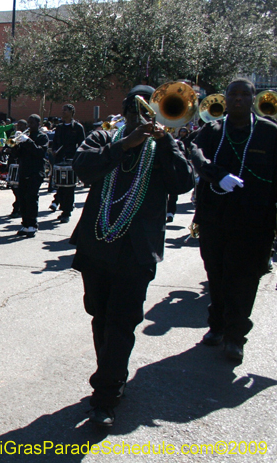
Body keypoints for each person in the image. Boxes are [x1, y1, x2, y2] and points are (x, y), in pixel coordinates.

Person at [70, 84, 193, 426]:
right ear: (124, 114)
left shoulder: (166, 145)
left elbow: (183, 183)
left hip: (137, 252)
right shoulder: (104, 138)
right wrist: (125, 144)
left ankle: (106, 395)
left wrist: (166, 141)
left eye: (150, 111)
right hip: (97, 246)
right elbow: (83, 167)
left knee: (122, 323)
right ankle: (111, 375)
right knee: (100, 317)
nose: (143, 118)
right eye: (136, 111)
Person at [190, 78, 277, 362]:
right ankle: (217, 326)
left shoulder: (269, 132)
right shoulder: (212, 130)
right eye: (233, 94)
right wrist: (216, 174)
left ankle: (235, 336)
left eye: (244, 94)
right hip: (215, 218)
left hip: (255, 223)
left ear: (253, 98)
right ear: (225, 98)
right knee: (216, 275)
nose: (238, 99)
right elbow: (195, 155)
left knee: (243, 279)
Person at [10, 114, 49, 237]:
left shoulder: (42, 137)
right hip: (24, 170)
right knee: (22, 198)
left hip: (36, 171)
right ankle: (25, 224)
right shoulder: (24, 137)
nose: (29, 126)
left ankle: (32, 225)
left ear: (38, 124)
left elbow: (40, 152)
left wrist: (28, 141)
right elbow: (17, 155)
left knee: (31, 198)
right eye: (28, 123)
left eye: (32, 123)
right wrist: (15, 144)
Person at [50, 104, 86, 223]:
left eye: (65, 110)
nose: (63, 112)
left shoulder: (78, 127)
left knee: (69, 187)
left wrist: (77, 157)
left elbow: (82, 144)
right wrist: (54, 150)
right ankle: (61, 206)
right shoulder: (59, 127)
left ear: (71, 112)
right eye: (62, 110)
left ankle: (67, 211)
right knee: (60, 186)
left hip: (71, 160)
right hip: (60, 159)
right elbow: (55, 142)